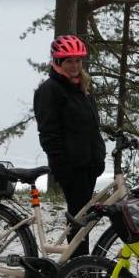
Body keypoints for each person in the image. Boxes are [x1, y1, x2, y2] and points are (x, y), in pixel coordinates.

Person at [33, 35, 106, 246]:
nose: (74, 66)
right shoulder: (50, 90)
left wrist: (98, 155)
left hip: (89, 165)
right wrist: (63, 167)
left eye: (78, 61)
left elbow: (91, 127)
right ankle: (79, 262)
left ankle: (78, 261)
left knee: (83, 218)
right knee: (79, 220)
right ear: (57, 62)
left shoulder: (82, 88)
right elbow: (48, 134)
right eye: (69, 61)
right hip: (72, 168)